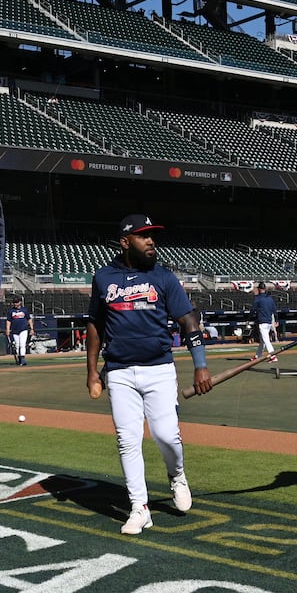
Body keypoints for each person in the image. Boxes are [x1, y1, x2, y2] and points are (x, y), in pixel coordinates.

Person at [85, 214, 212, 535]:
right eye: (144, 236)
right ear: (126, 242)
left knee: (166, 436)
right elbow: (95, 326)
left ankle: (177, 474)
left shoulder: (164, 278)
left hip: (159, 370)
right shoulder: (103, 278)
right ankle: (139, 507)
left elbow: (189, 323)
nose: (151, 241)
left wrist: (200, 364)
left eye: (152, 235)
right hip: (120, 372)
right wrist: (91, 372)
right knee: (128, 440)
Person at [251, 283, 279, 361]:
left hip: (262, 322)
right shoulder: (270, 298)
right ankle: (257, 356)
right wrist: (276, 319)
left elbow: (253, 310)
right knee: (262, 340)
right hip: (269, 322)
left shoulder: (258, 298)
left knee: (266, 340)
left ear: (259, 289)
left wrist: (248, 318)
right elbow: (275, 310)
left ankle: (273, 356)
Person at [5, 294, 32, 366]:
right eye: (14, 302)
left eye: (16, 302)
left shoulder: (24, 310)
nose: (15, 304)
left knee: (22, 344)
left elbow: (29, 319)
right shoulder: (11, 311)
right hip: (14, 330)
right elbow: (8, 321)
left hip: (23, 329)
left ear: (20, 302)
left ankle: (23, 358)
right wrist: (7, 329)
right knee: (17, 345)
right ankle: (19, 358)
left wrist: (32, 329)